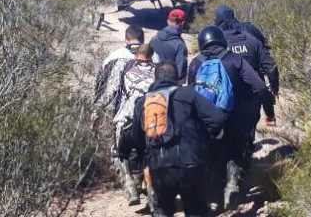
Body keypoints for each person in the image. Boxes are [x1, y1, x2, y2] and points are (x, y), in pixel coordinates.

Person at [120, 62, 227, 217]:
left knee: (163, 210)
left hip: (159, 168)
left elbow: (136, 138)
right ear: (176, 78)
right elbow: (217, 118)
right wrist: (203, 138)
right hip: (191, 164)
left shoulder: (143, 102)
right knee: (196, 210)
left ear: (155, 78)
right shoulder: (189, 94)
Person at [188, 26, 274, 211]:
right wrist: (266, 107)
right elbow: (259, 87)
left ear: (202, 43)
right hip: (234, 116)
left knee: (212, 155)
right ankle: (233, 183)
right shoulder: (235, 60)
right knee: (235, 148)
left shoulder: (195, 63)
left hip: (207, 119)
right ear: (221, 40)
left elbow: (191, 93)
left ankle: (214, 199)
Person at [214, 5, 279, 126]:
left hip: (226, 93)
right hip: (253, 90)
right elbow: (270, 65)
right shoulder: (250, 30)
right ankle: (270, 116)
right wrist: (274, 87)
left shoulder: (216, 37)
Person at [110, 44, 157, 206]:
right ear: (152, 56)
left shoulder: (125, 68)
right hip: (149, 118)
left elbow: (113, 92)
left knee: (120, 151)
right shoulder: (157, 71)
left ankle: (130, 184)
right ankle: (151, 191)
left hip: (127, 117)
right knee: (148, 154)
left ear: (136, 55)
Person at [96, 25, 145, 112]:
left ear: (126, 39)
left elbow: (100, 81)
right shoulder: (154, 57)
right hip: (145, 109)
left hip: (117, 108)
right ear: (143, 40)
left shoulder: (115, 56)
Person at [150, 8, 188, 82]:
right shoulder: (180, 45)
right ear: (183, 23)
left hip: (154, 82)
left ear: (167, 21)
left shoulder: (154, 39)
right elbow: (180, 71)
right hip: (170, 84)